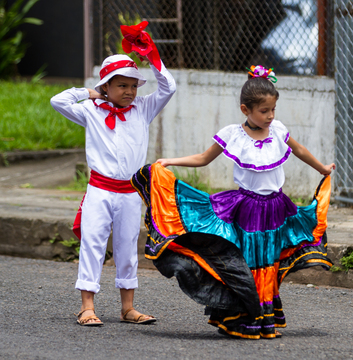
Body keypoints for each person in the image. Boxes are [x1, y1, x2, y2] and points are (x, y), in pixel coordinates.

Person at [131, 65, 335, 339]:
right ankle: (244, 319)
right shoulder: (232, 135)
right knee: (248, 265)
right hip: (247, 211)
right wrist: (170, 161)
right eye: (264, 111)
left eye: (273, 110)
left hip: (276, 209)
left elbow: (298, 150)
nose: (270, 116)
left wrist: (322, 168)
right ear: (245, 110)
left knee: (269, 264)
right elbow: (204, 158)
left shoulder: (278, 130)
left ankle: (265, 318)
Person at [50, 51, 176, 326]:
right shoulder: (90, 111)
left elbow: (169, 86)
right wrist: (91, 93)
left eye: (133, 85)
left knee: (128, 248)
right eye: (122, 85)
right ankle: (87, 307)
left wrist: (153, 58)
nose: (130, 91)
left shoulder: (144, 108)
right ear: (105, 85)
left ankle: (128, 308)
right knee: (92, 245)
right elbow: (57, 100)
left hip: (130, 193)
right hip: (100, 191)